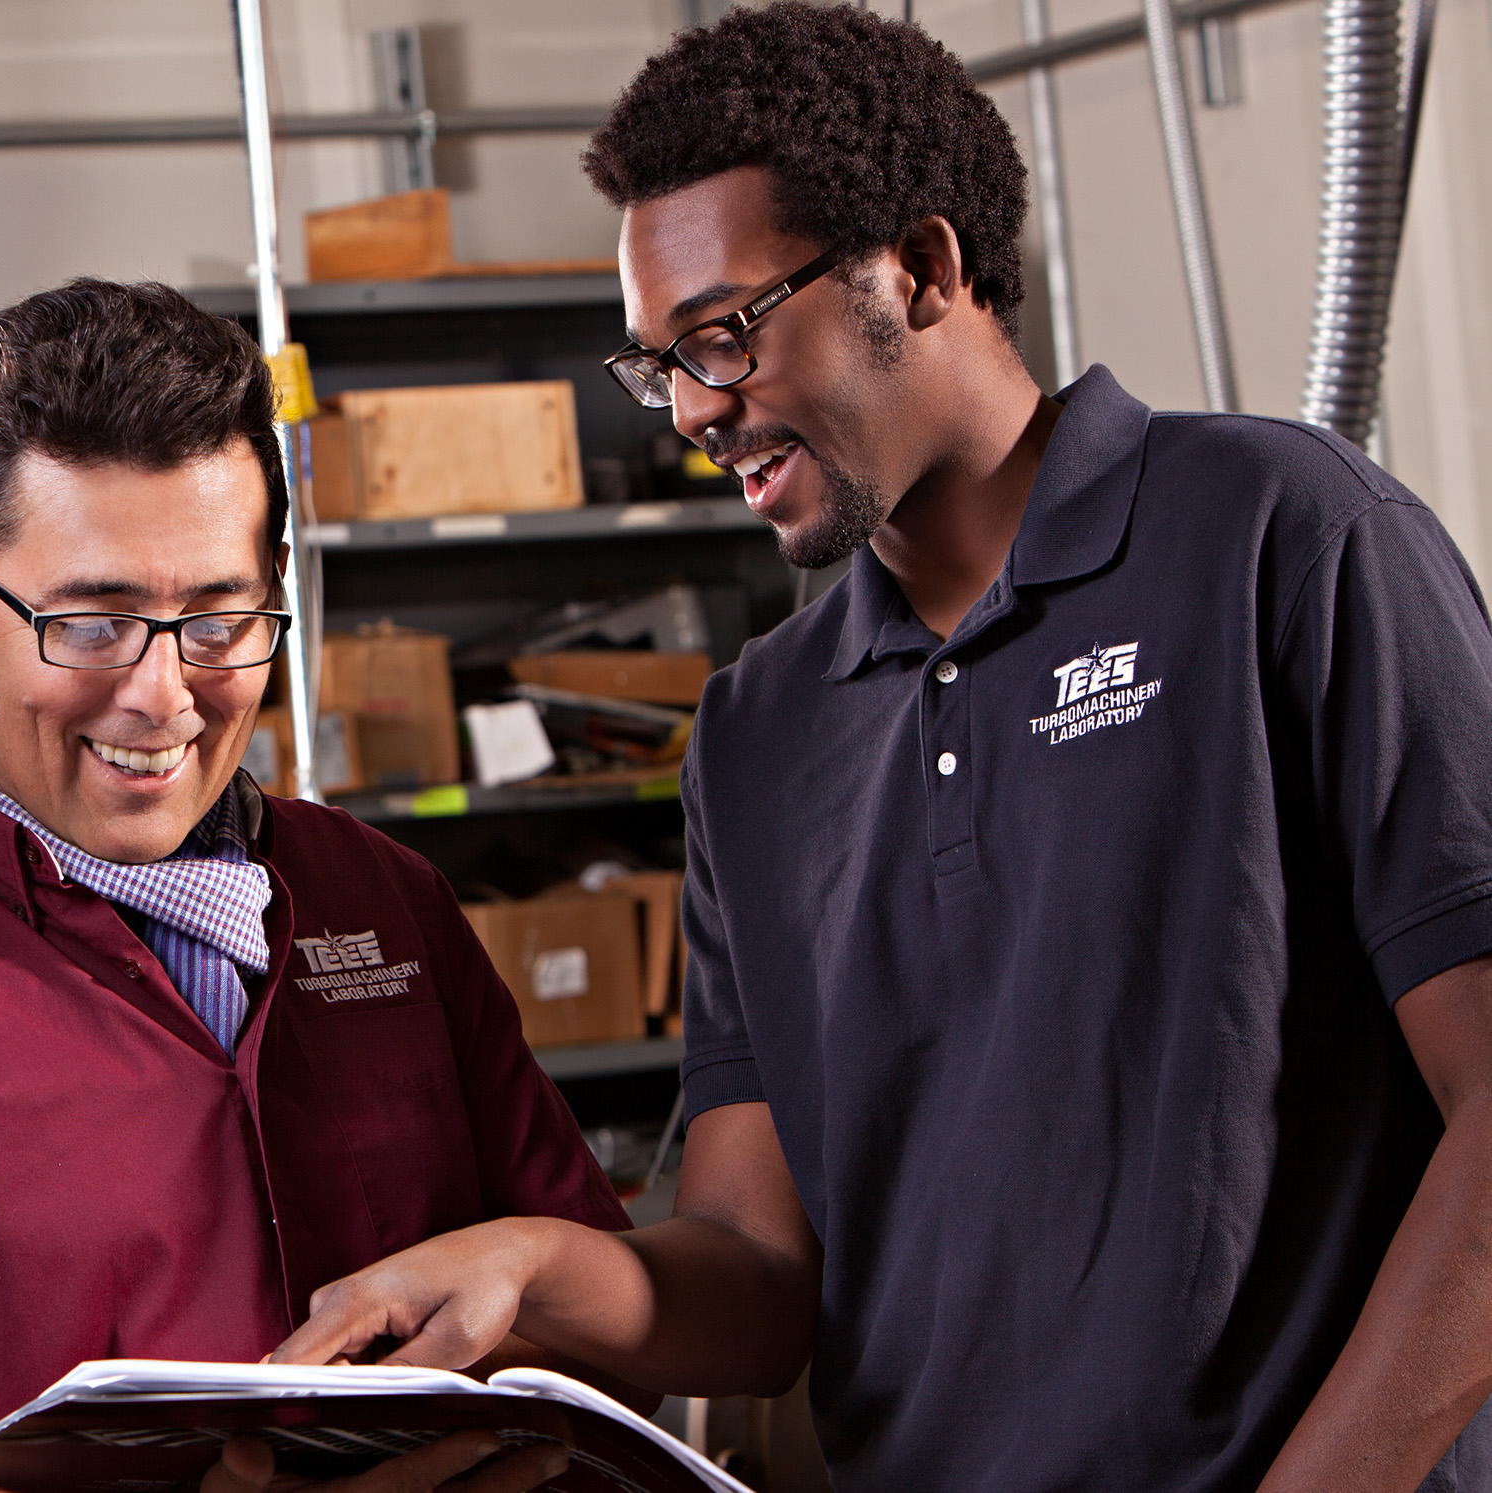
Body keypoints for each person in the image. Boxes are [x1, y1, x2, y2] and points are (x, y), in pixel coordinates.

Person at [268, 7, 1492, 1492]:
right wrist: (528, 1271)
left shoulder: (1275, 537)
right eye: (657, 365)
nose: (695, 411)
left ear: (918, 268)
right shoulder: (756, 730)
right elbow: (749, 1268)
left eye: (722, 331)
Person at [0, 278, 629, 1493]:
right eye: (94, 624)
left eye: (218, 620)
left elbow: (586, 1316)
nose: (164, 693)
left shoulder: (382, 899)